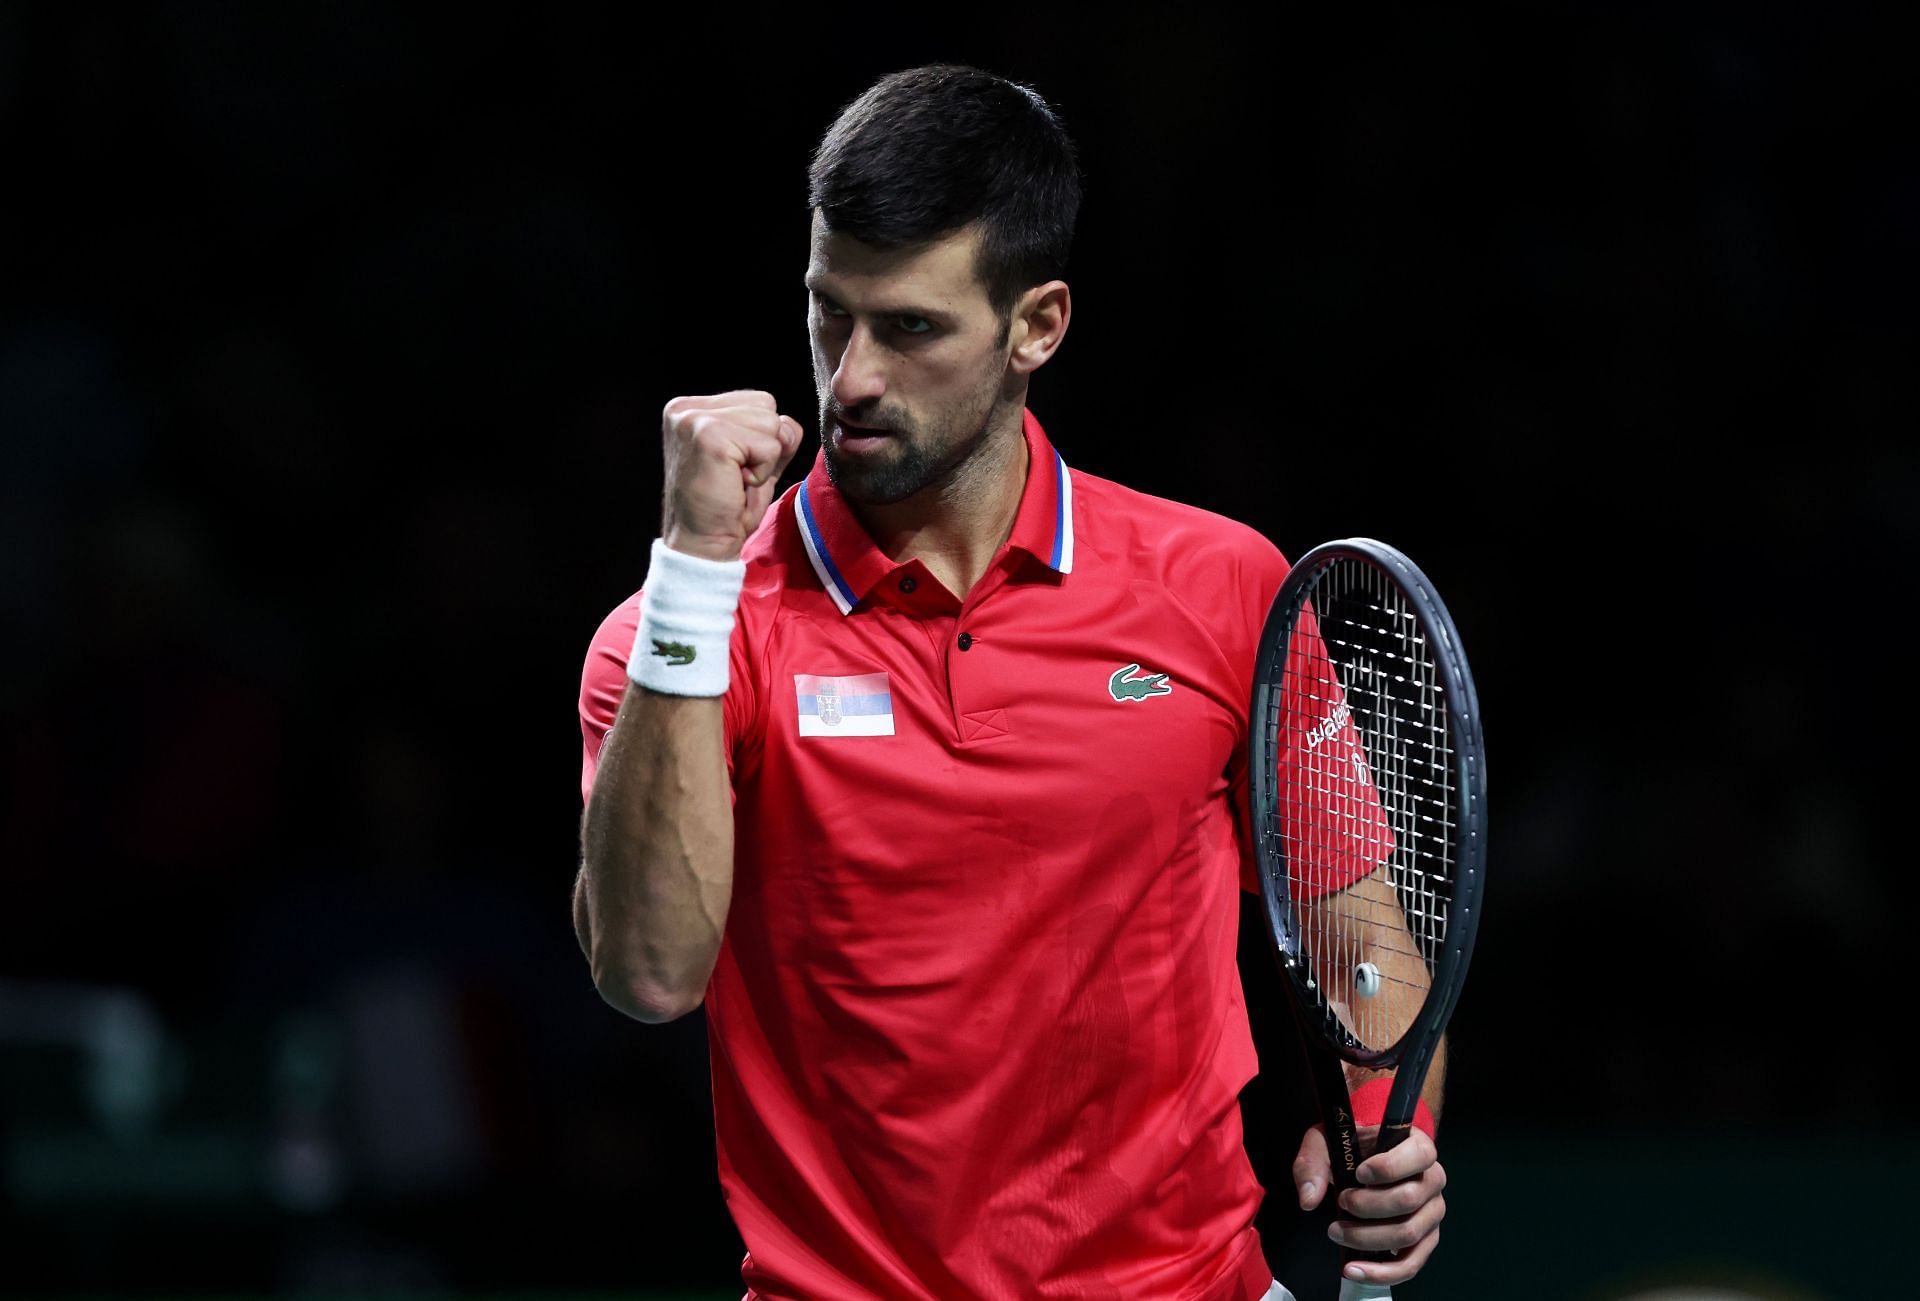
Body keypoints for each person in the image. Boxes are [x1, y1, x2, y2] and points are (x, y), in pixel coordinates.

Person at [573, 64, 1447, 1301]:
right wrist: (692, 577)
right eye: (831, 314)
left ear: (1037, 325)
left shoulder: (1220, 586)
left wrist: (1390, 1124)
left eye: (911, 327)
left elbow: (1356, 910)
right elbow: (650, 973)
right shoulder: (693, 632)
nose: (852, 377)